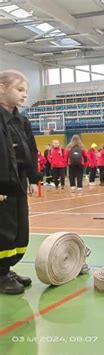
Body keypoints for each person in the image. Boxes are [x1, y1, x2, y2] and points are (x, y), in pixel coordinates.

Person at [0, 69, 38, 294]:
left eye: (27, 91)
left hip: (18, 184)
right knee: (3, 229)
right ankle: (1, 274)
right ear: (2, 89)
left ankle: (7, 269)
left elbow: (30, 151)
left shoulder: (22, 121)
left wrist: (33, 178)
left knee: (18, 228)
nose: (25, 95)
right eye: (20, 89)